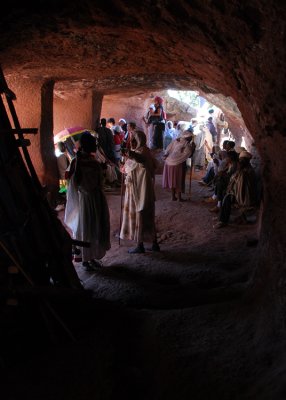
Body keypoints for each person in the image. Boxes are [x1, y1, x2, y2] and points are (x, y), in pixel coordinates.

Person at [64, 132, 111, 270]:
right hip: (89, 199)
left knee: (89, 227)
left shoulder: (80, 162)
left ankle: (90, 257)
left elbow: (72, 182)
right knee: (89, 227)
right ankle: (86, 258)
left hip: (89, 199)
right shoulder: (84, 162)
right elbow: (96, 182)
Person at [119, 130, 160, 254]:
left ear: (139, 140)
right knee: (146, 214)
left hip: (140, 190)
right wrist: (125, 161)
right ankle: (153, 243)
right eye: (131, 140)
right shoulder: (141, 151)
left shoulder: (142, 152)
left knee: (140, 213)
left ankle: (140, 244)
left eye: (133, 140)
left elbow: (140, 160)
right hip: (138, 189)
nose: (131, 142)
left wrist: (130, 154)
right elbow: (128, 167)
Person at [214, 150, 257, 228]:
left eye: (242, 161)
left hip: (245, 196)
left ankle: (223, 221)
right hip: (239, 193)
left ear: (246, 161)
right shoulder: (243, 170)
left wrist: (232, 190)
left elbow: (242, 187)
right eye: (240, 160)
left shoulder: (247, 171)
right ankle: (221, 216)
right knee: (225, 193)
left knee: (227, 198)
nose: (240, 162)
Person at [162, 130, 196, 201]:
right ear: (188, 137)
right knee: (178, 180)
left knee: (172, 180)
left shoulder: (176, 140)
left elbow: (168, 149)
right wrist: (193, 148)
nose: (191, 139)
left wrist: (166, 155)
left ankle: (173, 196)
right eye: (191, 137)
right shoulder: (187, 144)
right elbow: (189, 155)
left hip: (169, 162)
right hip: (178, 163)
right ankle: (179, 198)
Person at [55, 141, 70, 211]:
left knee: (65, 193)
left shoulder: (62, 156)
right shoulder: (62, 156)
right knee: (66, 193)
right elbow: (64, 167)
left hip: (63, 177)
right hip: (64, 178)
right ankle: (64, 205)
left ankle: (64, 205)